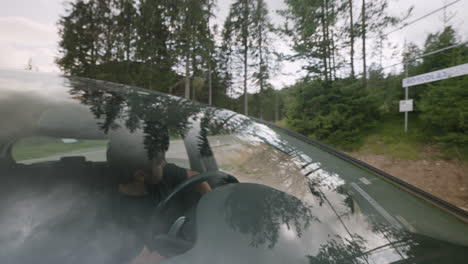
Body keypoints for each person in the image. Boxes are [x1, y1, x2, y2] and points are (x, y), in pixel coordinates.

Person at [117, 154, 211, 264]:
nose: (164, 164)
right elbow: (137, 257)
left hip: (191, 238)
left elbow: (196, 177)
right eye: (159, 163)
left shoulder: (165, 174)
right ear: (140, 175)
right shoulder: (116, 211)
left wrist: (213, 201)